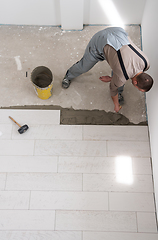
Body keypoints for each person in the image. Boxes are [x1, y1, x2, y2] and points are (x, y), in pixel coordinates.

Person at [62, 27, 153, 112]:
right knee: (84, 67)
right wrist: (116, 105)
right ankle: (68, 76)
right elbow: (113, 90)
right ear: (136, 83)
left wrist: (111, 79)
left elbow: (122, 74)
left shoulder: (146, 62)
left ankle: (119, 93)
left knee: (120, 78)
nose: (136, 88)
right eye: (138, 88)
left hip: (118, 33)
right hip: (101, 41)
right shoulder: (122, 76)